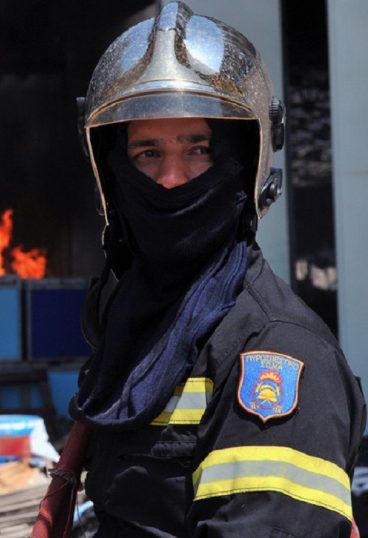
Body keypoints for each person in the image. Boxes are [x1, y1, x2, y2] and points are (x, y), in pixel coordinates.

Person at [33, 2, 366, 537]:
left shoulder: (275, 353)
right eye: (147, 153)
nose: (170, 179)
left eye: (198, 150)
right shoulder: (138, 335)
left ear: (242, 162)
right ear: (112, 173)